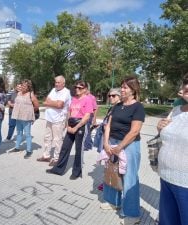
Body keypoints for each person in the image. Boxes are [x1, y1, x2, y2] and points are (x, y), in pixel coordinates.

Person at [100, 76, 145, 225]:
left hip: (129, 146)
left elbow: (134, 131)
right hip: (112, 142)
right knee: (112, 172)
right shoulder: (117, 106)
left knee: (129, 177)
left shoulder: (138, 107)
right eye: (122, 87)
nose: (122, 90)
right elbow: (108, 125)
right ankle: (113, 201)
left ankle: (132, 213)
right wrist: (106, 143)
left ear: (133, 90)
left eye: (125, 87)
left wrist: (119, 147)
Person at [157, 74, 188, 225]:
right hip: (166, 177)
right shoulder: (176, 110)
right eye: (185, 82)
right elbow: (166, 136)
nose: (187, 86)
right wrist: (159, 128)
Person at [46, 80, 93, 179]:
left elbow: (87, 116)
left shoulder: (88, 99)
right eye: (76, 87)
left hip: (80, 126)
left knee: (78, 150)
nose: (77, 89)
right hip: (71, 124)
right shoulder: (73, 98)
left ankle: (76, 172)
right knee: (65, 148)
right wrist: (68, 125)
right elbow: (69, 112)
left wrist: (76, 127)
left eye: (80, 88)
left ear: (85, 89)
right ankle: (58, 169)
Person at [37, 75, 71, 166]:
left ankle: (57, 158)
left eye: (58, 82)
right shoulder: (53, 90)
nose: (56, 84)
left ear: (63, 83)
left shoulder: (66, 92)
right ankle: (46, 156)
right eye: (55, 82)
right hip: (49, 118)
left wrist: (50, 103)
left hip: (58, 119)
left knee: (57, 140)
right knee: (47, 138)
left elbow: (60, 105)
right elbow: (46, 101)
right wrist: (54, 103)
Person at [95, 88, 121, 191]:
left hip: (114, 139)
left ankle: (112, 183)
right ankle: (107, 181)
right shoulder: (112, 108)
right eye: (109, 95)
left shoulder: (120, 108)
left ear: (119, 96)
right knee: (108, 161)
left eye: (113, 96)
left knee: (114, 162)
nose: (110, 97)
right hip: (107, 138)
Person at [10, 79, 39, 159]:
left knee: (27, 134)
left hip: (27, 119)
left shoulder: (31, 94)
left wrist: (30, 112)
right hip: (18, 117)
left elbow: (36, 105)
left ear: (28, 87)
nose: (23, 87)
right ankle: (17, 148)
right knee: (19, 133)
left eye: (25, 86)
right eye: (22, 85)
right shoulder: (18, 93)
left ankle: (29, 150)